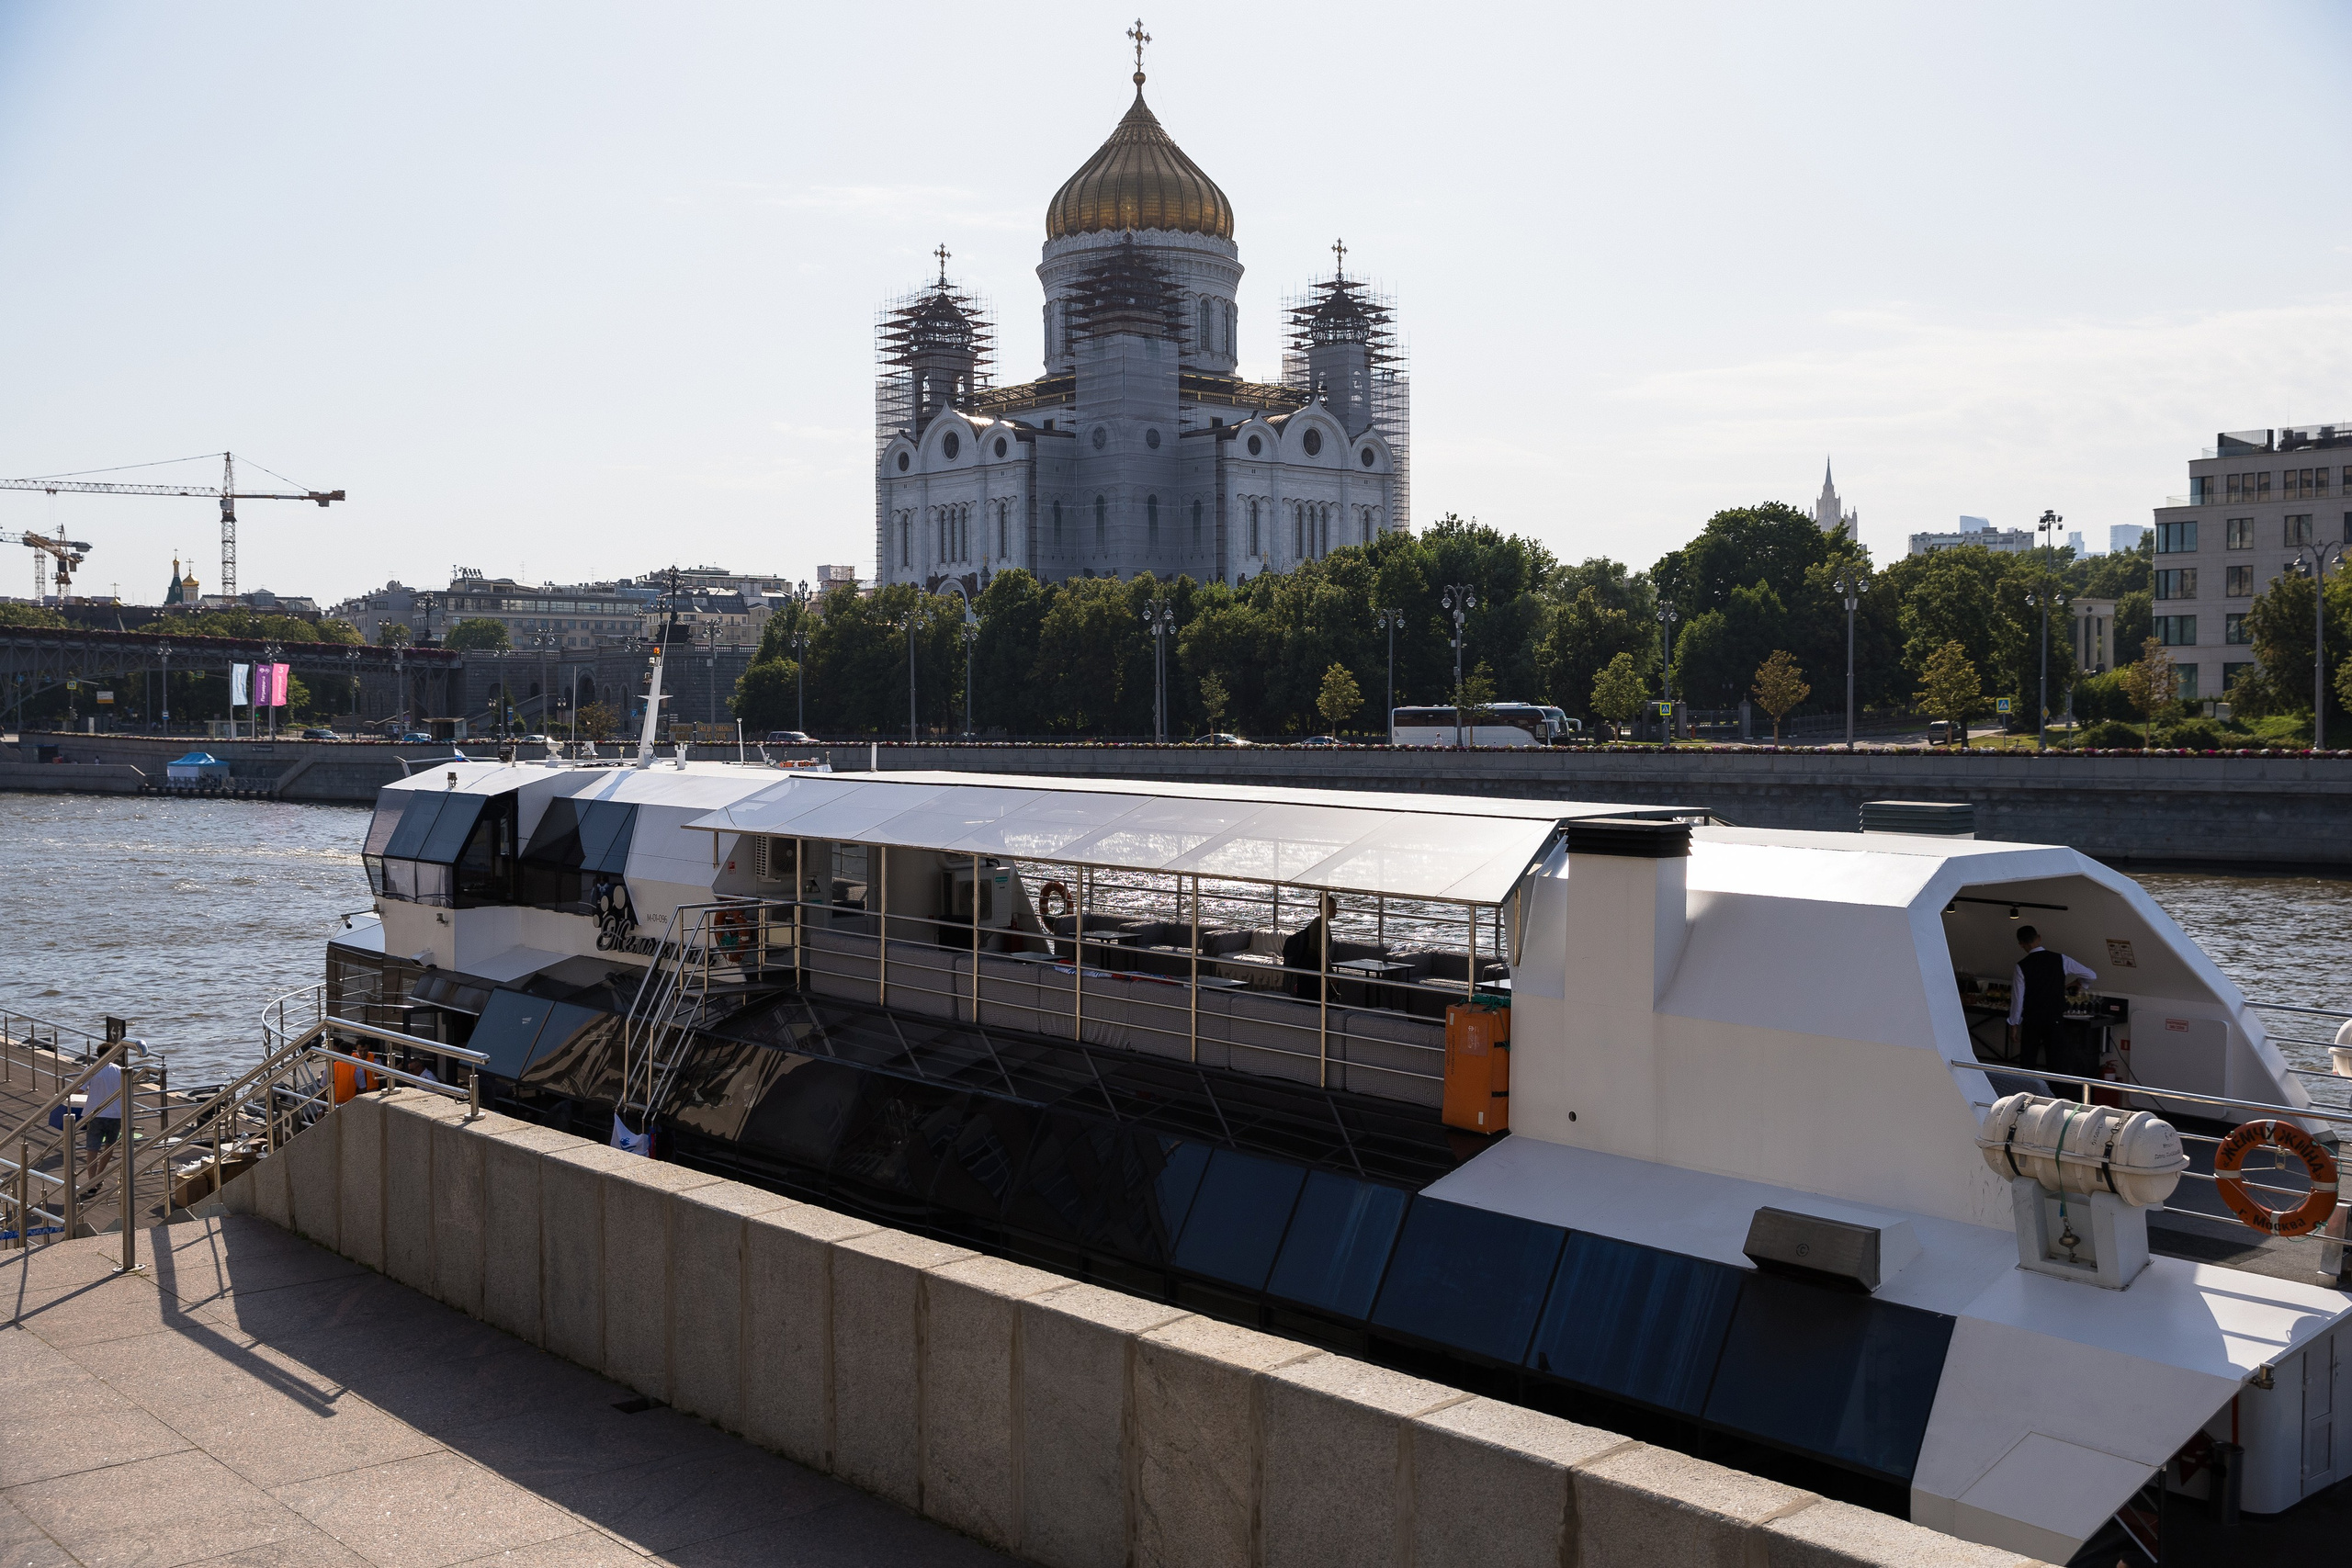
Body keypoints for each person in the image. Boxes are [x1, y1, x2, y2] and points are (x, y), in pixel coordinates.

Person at [2007, 925, 2097, 1078]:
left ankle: (2025, 1093)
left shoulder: (2021, 966)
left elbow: (2018, 998)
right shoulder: (2061, 959)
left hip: (2032, 1018)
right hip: (2054, 1018)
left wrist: (2014, 1023)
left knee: (2028, 1061)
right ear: (2039, 937)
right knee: (2056, 1062)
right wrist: (2079, 983)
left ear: (2021, 944)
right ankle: (2056, 1096)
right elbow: (2091, 975)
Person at [80, 1056, 126, 1197]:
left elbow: (79, 1090)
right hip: (116, 1114)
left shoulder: (92, 1069)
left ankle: (92, 1182)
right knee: (109, 1146)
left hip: (96, 1114)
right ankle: (100, 1176)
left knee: (92, 1149)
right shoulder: (120, 1071)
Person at [1281, 894, 1339, 1001]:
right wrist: (1330, 973)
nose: (1336, 911)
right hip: (1312, 966)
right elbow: (1321, 952)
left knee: (1307, 998)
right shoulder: (1321, 925)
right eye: (1333, 908)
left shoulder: (1317, 922)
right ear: (1325, 910)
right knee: (1314, 999)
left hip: (1307, 964)